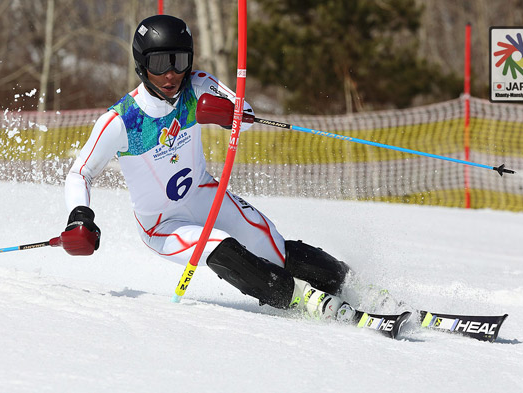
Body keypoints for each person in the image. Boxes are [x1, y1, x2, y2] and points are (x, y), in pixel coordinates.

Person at [60, 15, 353, 321]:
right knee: (220, 248)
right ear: (142, 64)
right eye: (160, 64)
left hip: (204, 194)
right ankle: (299, 300)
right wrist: (80, 215)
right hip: (163, 224)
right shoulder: (121, 120)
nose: (171, 74)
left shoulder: (197, 84)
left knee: (268, 243)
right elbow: (80, 173)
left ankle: (348, 282)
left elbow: (246, 113)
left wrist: (230, 114)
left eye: (180, 61)